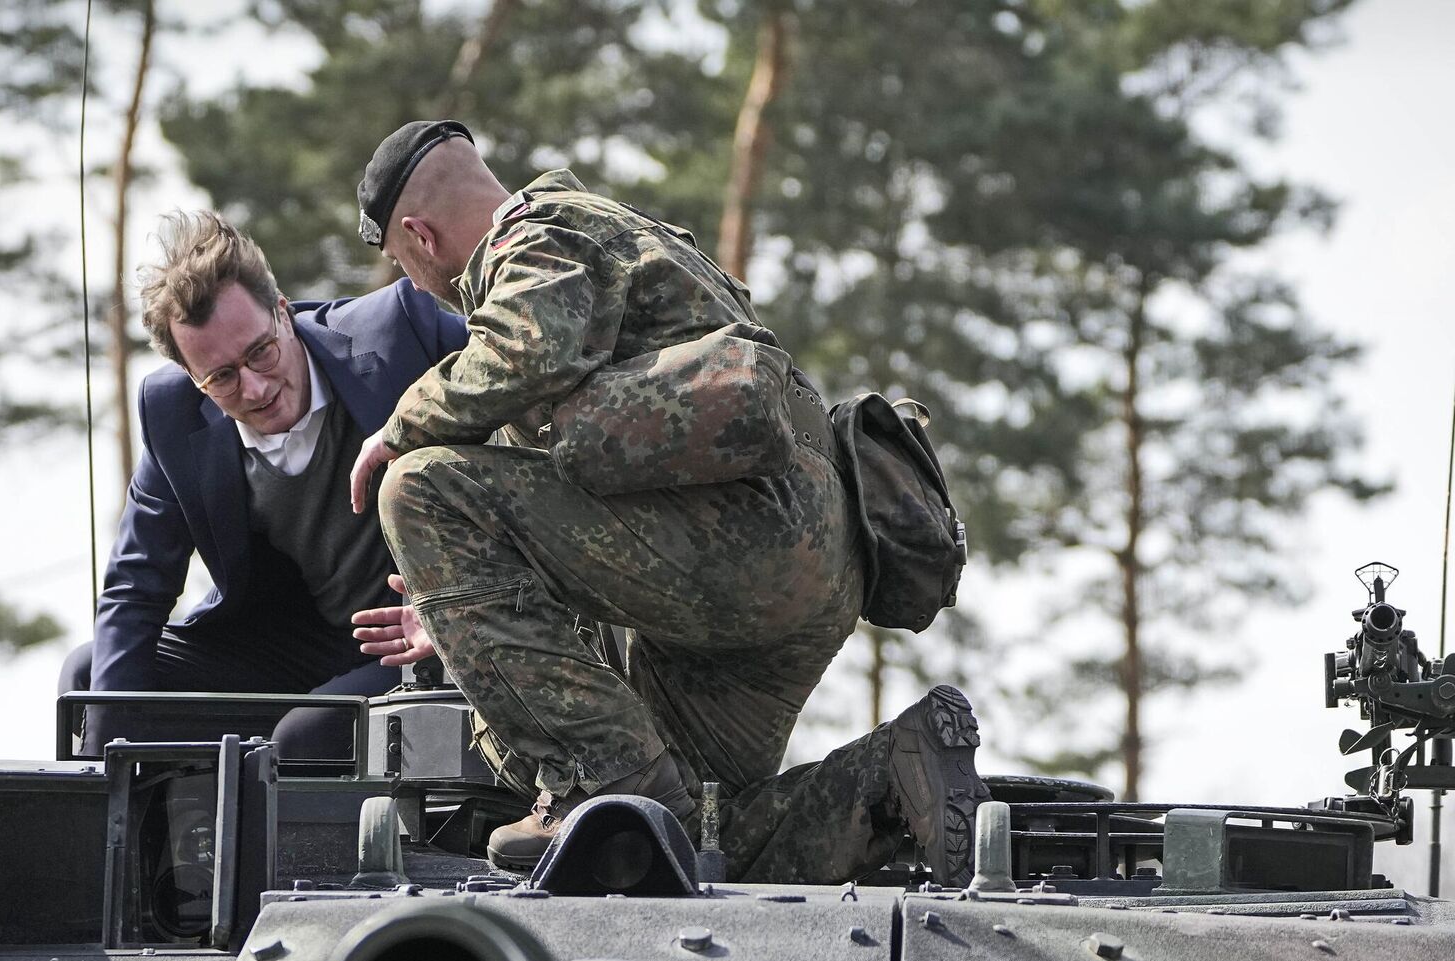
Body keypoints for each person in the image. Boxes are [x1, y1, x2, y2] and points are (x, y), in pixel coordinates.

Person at [345, 121, 988, 882]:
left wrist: (399, 427)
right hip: (809, 569)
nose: (415, 285)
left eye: (400, 266)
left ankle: (596, 772)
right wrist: (466, 607)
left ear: (418, 237)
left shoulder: (535, 237)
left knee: (420, 489)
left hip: (740, 542)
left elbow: (526, 351)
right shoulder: (633, 233)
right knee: (682, 834)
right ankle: (892, 776)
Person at [60, 211, 468, 760]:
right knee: (90, 681)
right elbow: (136, 587)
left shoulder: (399, 336)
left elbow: (522, 398)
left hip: (428, 634)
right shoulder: (171, 414)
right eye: (221, 377)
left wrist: (452, 609)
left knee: (306, 737)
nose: (254, 388)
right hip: (290, 648)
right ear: (190, 375)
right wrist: (98, 767)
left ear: (283, 312)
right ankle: (122, 840)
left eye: (261, 352)